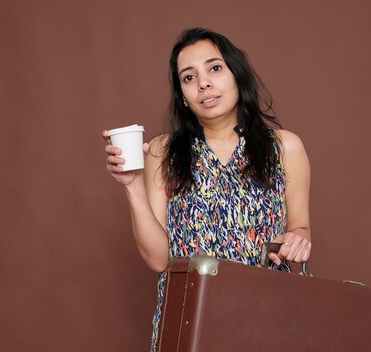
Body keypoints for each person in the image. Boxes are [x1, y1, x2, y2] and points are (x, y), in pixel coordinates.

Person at [102, 28, 311, 351]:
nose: (203, 83)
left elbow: (300, 228)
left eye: (215, 68)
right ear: (182, 96)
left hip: (269, 318)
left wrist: (298, 239)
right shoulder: (163, 151)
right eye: (189, 77)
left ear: (236, 74)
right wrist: (132, 184)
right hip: (191, 320)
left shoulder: (285, 147)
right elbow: (159, 260)